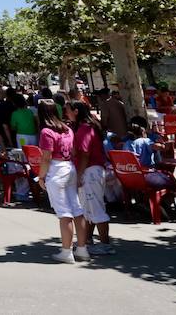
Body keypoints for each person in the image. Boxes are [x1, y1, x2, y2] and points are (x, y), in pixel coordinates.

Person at [36, 100, 88, 263]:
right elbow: (73, 151)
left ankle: (66, 252)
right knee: (77, 209)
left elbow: (46, 157)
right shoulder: (67, 129)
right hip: (69, 167)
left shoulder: (46, 131)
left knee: (64, 213)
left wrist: (41, 176)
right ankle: (82, 249)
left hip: (56, 170)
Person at [67, 101, 113, 256]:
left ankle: (105, 244)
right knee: (89, 208)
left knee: (96, 208)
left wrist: (79, 175)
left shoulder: (85, 129)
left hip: (90, 171)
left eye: (68, 110)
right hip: (93, 170)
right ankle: (87, 240)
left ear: (76, 111)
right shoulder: (88, 127)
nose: (66, 113)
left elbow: (85, 154)